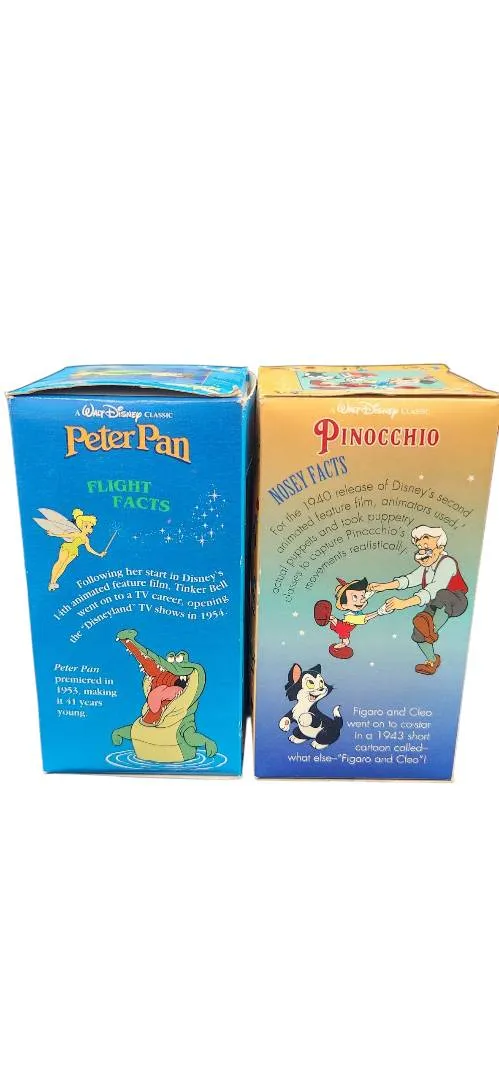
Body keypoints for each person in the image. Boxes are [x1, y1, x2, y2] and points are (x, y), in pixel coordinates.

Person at [368, 526, 468, 675]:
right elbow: (408, 580)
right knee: (419, 633)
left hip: (456, 600)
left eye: (426, 547)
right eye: (420, 547)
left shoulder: (447, 562)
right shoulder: (425, 568)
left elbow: (434, 588)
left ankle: (431, 629)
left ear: (440, 548)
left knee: (441, 595)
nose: (422, 551)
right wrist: (383, 586)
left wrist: (404, 603)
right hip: (435, 604)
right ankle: (432, 660)